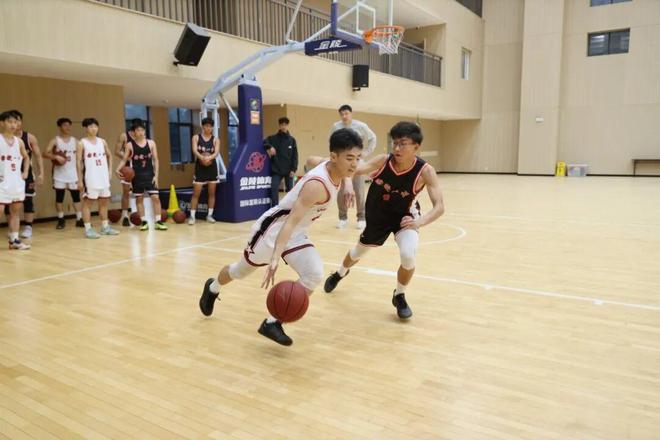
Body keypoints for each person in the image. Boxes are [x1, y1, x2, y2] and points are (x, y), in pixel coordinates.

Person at [197, 128, 363, 346]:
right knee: (240, 271)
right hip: (274, 231)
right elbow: (290, 221)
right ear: (334, 156)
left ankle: (272, 322)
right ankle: (213, 287)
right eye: (350, 158)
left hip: (296, 234)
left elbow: (313, 160)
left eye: (357, 158)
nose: (355, 164)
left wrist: (349, 182)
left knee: (313, 274)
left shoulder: (332, 165)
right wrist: (275, 256)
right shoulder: (316, 186)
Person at [323, 122, 445, 319]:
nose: (396, 148)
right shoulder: (383, 161)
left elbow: (439, 207)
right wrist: (347, 183)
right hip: (378, 217)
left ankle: (399, 295)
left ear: (416, 147)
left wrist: (419, 222)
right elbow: (353, 169)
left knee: (408, 255)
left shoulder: (425, 171)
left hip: (404, 218)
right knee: (356, 253)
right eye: (394, 143)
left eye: (402, 144)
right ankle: (340, 273)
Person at [329, 104, 377, 230]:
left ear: (351, 114)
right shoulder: (336, 127)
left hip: (357, 162)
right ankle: (342, 218)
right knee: (341, 191)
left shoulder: (361, 126)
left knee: (359, 190)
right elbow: (331, 142)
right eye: (342, 114)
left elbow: (373, 138)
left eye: (346, 113)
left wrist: (365, 153)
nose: (344, 116)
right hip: (341, 163)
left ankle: (361, 218)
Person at [116, 121, 167, 231]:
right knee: (139, 199)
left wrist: (156, 176)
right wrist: (117, 169)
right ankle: (144, 221)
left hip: (150, 175)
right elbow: (124, 160)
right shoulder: (129, 145)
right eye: (138, 130)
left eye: (142, 130)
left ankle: (158, 221)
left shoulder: (151, 143)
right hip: (137, 176)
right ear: (134, 132)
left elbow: (156, 160)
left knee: (155, 198)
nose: (141, 132)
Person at [76, 118, 119, 239]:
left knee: (104, 202)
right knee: (87, 204)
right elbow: (78, 162)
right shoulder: (82, 143)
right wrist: (79, 180)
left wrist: (110, 170)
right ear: (85, 128)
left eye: (95, 126)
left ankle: (105, 227)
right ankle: (88, 229)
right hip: (90, 178)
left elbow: (110, 156)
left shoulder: (102, 141)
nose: (94, 129)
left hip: (103, 177)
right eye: (91, 127)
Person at [43, 117, 83, 229]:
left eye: (69, 125)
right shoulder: (55, 140)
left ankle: (79, 219)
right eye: (65, 125)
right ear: (60, 127)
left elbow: (82, 155)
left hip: (73, 173)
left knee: (76, 197)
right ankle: (61, 219)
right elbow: (44, 153)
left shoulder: (76, 141)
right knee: (59, 197)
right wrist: (55, 156)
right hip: (59, 174)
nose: (67, 127)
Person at [9, 110, 43, 239]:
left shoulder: (29, 137)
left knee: (28, 200)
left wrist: (41, 173)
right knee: (9, 201)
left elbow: (38, 156)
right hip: (9, 174)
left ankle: (28, 227)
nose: (15, 123)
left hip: (26, 174)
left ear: (21, 122)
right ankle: (12, 229)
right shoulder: (4, 139)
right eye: (12, 121)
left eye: (17, 120)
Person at [0, 111, 31, 250]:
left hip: (16, 181)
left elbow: (26, 157)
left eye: (15, 122)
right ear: (2, 123)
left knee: (15, 211)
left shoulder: (19, 141)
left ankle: (14, 240)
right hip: (2, 182)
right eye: (10, 122)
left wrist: (25, 172)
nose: (13, 125)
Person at [189, 117, 220, 225]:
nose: (208, 128)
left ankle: (209, 215)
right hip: (200, 168)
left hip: (212, 167)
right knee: (196, 193)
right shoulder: (196, 137)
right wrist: (202, 157)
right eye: (206, 126)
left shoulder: (215, 140)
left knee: (212, 192)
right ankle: (192, 216)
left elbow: (216, 152)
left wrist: (209, 157)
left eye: (210, 126)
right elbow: (194, 150)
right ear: (203, 126)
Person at [264, 117, 298, 207]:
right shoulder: (273, 138)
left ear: (288, 125)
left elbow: (295, 156)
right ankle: (275, 208)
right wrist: (270, 147)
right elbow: (264, 142)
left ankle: (290, 208)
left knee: (291, 191)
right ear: (279, 126)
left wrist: (293, 169)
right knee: (274, 188)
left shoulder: (292, 140)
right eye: (282, 125)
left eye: (285, 125)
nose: (283, 127)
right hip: (276, 169)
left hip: (289, 170)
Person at [115, 119, 142, 227]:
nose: (139, 131)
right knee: (126, 192)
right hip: (127, 167)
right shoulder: (124, 136)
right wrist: (127, 157)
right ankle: (125, 216)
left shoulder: (141, 136)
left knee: (138, 193)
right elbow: (117, 151)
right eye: (137, 128)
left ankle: (140, 215)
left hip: (139, 167)